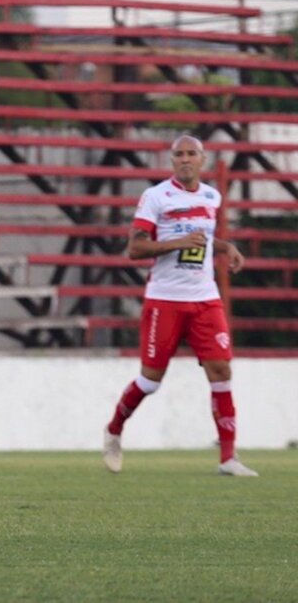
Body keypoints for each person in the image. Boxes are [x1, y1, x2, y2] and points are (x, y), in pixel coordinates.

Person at [103, 134, 257, 477]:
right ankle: (114, 430)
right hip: (165, 300)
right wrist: (176, 243)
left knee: (221, 371)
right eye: (179, 155)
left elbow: (201, 238)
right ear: (171, 161)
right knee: (151, 380)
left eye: (191, 154)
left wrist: (224, 247)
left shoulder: (211, 196)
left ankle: (228, 458)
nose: (185, 159)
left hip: (205, 298)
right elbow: (135, 250)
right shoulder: (156, 197)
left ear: (202, 160)